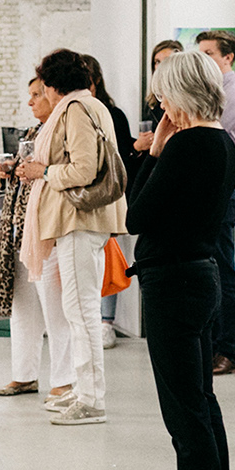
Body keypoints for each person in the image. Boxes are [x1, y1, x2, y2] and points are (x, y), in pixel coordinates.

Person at [124, 49, 235, 470]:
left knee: (186, 416)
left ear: (182, 93)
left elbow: (138, 214)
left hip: (176, 284)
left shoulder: (190, 144)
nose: (158, 102)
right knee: (201, 408)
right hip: (197, 276)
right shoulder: (218, 142)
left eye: (163, 92)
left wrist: (156, 151)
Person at [16, 48, 128, 425]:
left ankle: (92, 400)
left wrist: (43, 172)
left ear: (51, 86)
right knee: (78, 311)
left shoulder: (77, 109)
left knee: (82, 313)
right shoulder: (88, 106)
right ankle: (83, 391)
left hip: (80, 220)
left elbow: (83, 168)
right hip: (75, 221)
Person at [0, 77, 76, 399]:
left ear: (54, 95)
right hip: (20, 230)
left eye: (36, 95)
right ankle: (24, 375)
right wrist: (9, 171)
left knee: (56, 311)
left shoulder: (62, 133)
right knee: (23, 308)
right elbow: (26, 176)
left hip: (47, 229)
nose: (30, 102)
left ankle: (63, 380)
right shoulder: (31, 134)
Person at [193, 31, 235, 374]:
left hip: (221, 193)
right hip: (209, 194)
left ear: (229, 58)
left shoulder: (233, 97)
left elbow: (206, 139)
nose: (203, 59)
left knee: (224, 274)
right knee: (212, 273)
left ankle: (228, 349)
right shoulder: (215, 93)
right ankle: (215, 344)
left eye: (209, 53)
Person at [79, 53, 136, 347]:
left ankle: (106, 322)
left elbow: (123, 155)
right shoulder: (70, 112)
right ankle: (88, 319)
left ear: (95, 80)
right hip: (80, 197)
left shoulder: (112, 114)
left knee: (108, 257)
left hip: (107, 195)